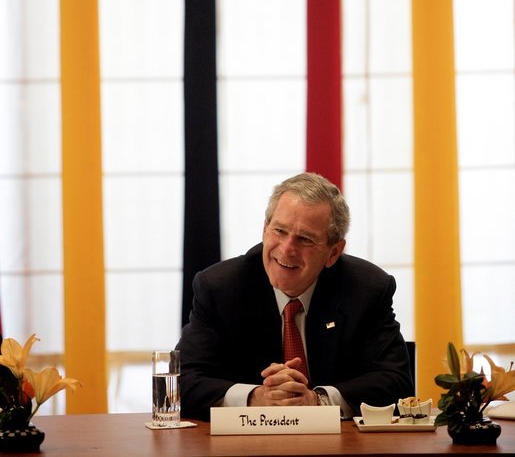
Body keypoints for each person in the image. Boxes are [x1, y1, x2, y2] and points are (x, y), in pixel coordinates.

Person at [177, 172, 414, 421]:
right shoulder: (221, 288)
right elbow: (181, 382)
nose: (287, 249)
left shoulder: (367, 288)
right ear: (264, 229)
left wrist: (316, 401)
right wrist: (254, 398)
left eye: (305, 239)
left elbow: (397, 383)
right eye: (279, 230)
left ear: (334, 252)